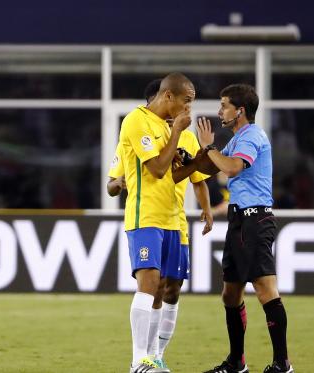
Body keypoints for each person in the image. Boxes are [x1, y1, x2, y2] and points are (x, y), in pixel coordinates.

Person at [108, 78, 213, 372]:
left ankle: (154, 356)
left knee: (168, 287)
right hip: (145, 216)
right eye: (186, 101)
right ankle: (138, 359)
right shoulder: (136, 121)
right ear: (168, 96)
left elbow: (172, 176)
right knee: (149, 284)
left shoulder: (169, 129)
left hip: (172, 220)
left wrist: (197, 162)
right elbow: (155, 169)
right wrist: (177, 132)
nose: (188, 108)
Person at [198, 84, 294, 373]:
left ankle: (282, 364)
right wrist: (187, 159)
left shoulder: (251, 136)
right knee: (230, 293)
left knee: (266, 289)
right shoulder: (239, 138)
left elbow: (232, 168)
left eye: (224, 105)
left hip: (255, 220)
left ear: (239, 110)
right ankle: (237, 363)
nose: (219, 111)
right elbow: (211, 167)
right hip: (240, 220)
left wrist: (209, 147)